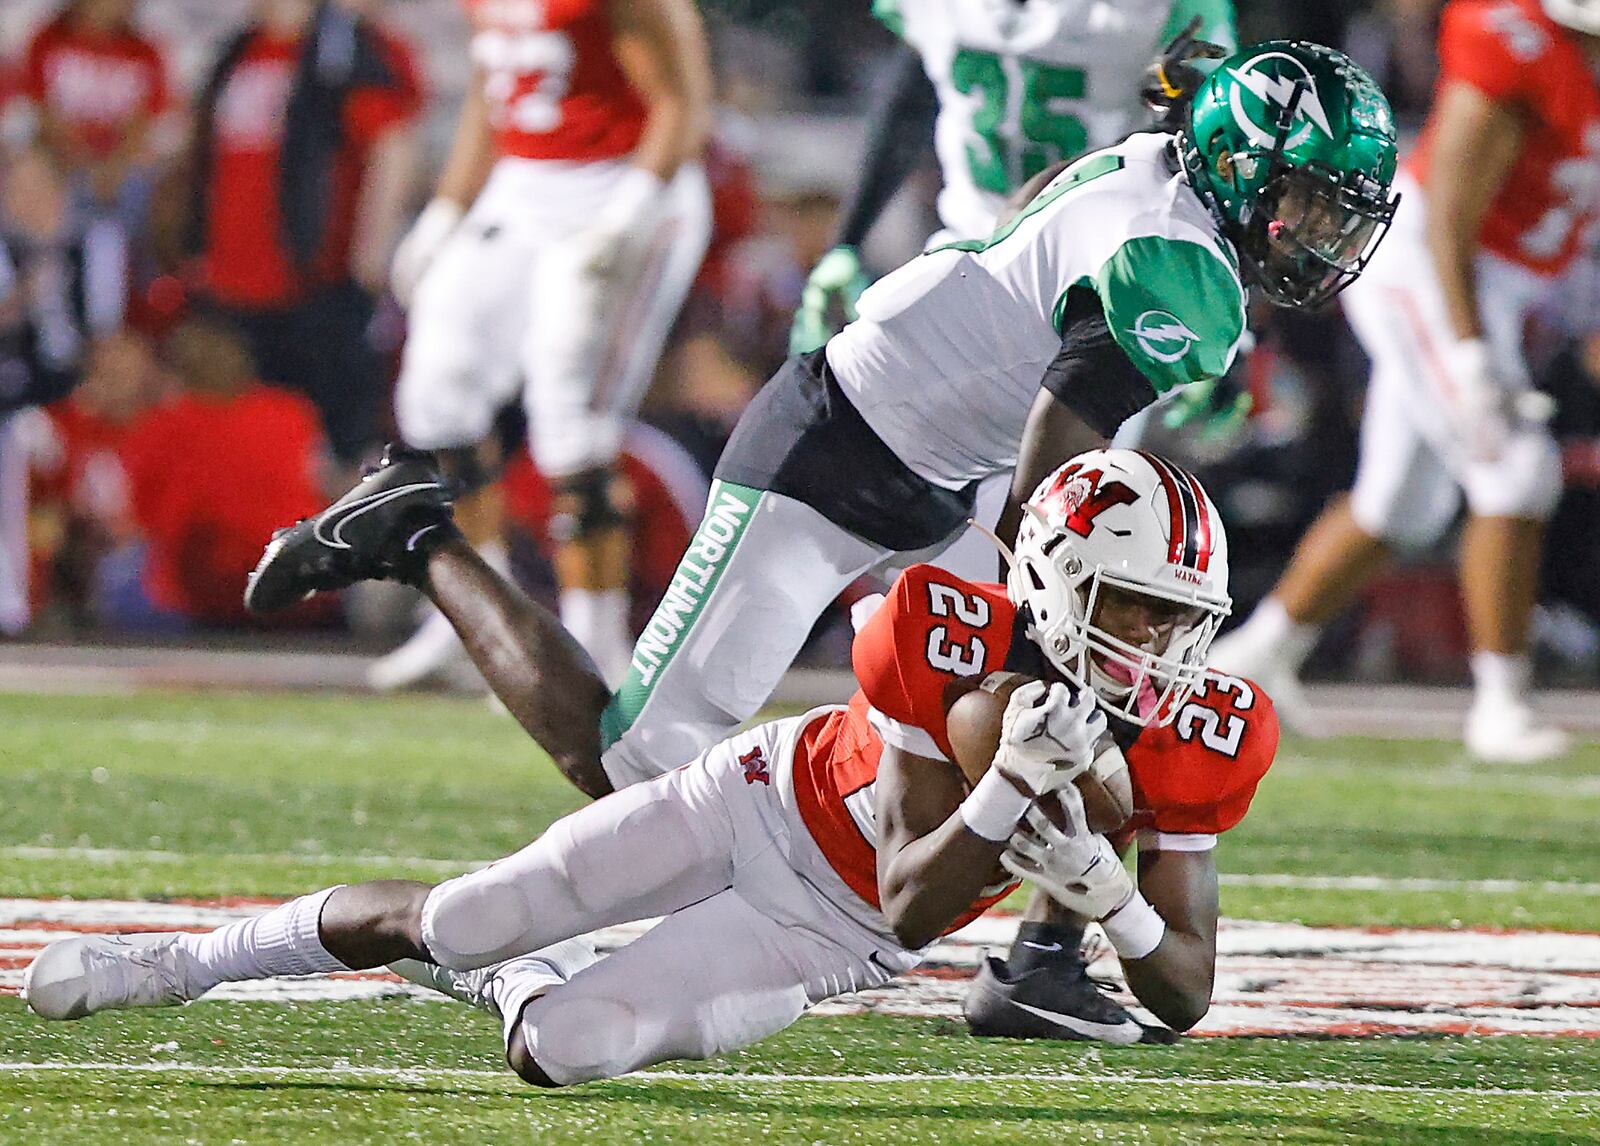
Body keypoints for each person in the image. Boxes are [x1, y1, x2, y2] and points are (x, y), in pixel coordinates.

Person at [246, 42, 1396, 1041]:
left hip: (945, 469)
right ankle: (414, 530)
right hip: (836, 448)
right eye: (1310, 205)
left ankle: (1033, 957)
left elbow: (1067, 225)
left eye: (1341, 214)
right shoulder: (1181, 264)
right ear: (1243, 170)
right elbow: (1062, 446)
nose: (1321, 239)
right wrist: (1043, 621)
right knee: (636, 762)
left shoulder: (1170, 171)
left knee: (1015, 735)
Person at [25, 449, 1276, 1076]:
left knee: (563, 1047)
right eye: (1138, 607)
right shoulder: (943, 628)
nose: (1164, 647)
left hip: (821, 939)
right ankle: (178, 964)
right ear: (1056, 584)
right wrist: (1011, 795)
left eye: (1185, 618)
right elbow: (914, 881)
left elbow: (1183, 991)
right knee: (467, 916)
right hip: (757, 806)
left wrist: (1109, 901)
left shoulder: (1201, 728)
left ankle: (516, 984)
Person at [1210, 0, 1600, 763]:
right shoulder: (1517, 43)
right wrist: (1467, 352)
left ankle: (1251, 659)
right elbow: (1447, 213)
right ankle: (1500, 705)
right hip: (1430, 271)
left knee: (1402, 506)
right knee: (1516, 473)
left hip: (1508, 286)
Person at [791, 0, 1241, 579]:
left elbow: (1218, 154)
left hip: (1100, 286)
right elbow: (919, 84)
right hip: (973, 262)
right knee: (907, 502)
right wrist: (845, 242)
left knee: (1058, 531)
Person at [370, 0, 714, 691]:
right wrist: (447, 207)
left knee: (570, 410)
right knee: (439, 390)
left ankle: (595, 647)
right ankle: (477, 621)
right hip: (523, 185)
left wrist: (631, 214)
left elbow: (683, 103)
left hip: (623, 180)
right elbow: (491, 94)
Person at [183, 0, 423, 475]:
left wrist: (367, 262)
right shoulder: (240, 50)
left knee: (329, 457)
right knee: (244, 456)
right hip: (232, 294)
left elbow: (393, 146)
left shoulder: (343, 50)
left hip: (312, 290)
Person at [21, 0, 173, 234]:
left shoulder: (144, 51)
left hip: (121, 170)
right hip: (62, 163)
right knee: (32, 170)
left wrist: (114, 166)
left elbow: (143, 122)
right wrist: (79, 160)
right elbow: (44, 113)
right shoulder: (49, 39)